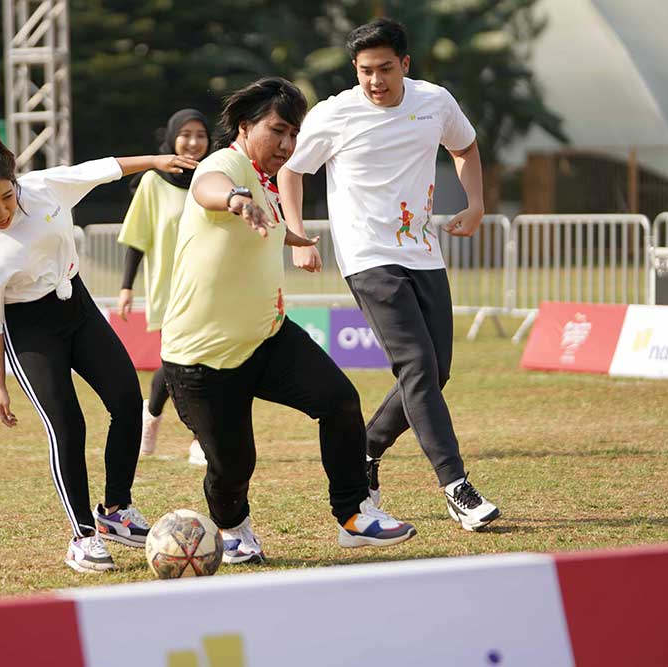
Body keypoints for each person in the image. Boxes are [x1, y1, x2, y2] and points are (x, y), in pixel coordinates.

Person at [160, 77, 418, 565]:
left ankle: (354, 514)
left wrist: (290, 237)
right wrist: (236, 199)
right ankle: (233, 527)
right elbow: (207, 186)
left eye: (294, 134)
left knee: (339, 401)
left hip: (267, 336)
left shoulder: (267, 181)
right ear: (245, 127)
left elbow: (259, 227)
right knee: (233, 467)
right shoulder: (228, 165)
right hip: (201, 357)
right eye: (278, 131)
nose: (287, 144)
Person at [0, 119, 199, 572]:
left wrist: (155, 161)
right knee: (69, 427)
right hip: (29, 330)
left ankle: (116, 511)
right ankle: (82, 536)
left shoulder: (41, 188)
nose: (1, 210)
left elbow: (102, 169)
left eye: (6, 196)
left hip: (76, 307)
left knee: (125, 400)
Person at [278, 18, 501, 532]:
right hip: (367, 256)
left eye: (383, 69)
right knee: (419, 365)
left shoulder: (435, 102)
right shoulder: (334, 113)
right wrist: (296, 236)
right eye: (364, 71)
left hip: (423, 253)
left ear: (405, 64)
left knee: (434, 372)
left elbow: (464, 148)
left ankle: (365, 452)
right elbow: (292, 172)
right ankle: (456, 486)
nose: (374, 81)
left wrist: (476, 204)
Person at [117, 109, 211, 466]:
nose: (193, 141)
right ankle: (153, 416)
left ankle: (201, 439)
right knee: (176, 363)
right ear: (172, 137)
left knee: (204, 363)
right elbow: (137, 237)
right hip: (170, 288)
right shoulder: (153, 182)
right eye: (186, 134)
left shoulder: (213, 176)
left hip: (211, 285)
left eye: (200, 134)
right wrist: (126, 287)